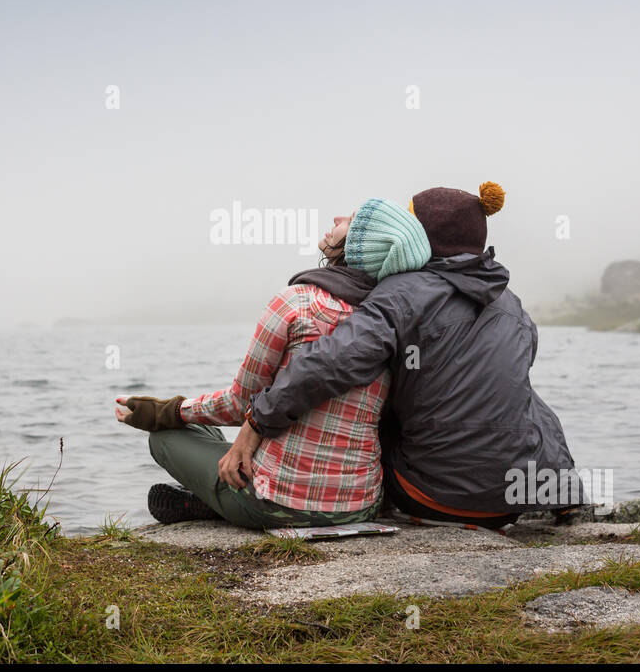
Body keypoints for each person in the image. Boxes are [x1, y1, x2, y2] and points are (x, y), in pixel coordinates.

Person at [230, 182, 578, 529]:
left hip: (432, 497)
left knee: (383, 390)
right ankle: (565, 494)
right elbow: (526, 406)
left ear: (419, 237)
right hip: (509, 502)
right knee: (516, 392)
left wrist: (259, 418)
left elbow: (331, 360)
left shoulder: (402, 292)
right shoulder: (513, 306)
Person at [115, 198, 431, 528]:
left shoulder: (296, 302)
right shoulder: (395, 325)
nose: (337, 217)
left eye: (350, 220)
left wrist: (166, 410)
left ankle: (218, 500)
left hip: (277, 501)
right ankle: (213, 496)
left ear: (358, 246)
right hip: (361, 504)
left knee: (166, 436)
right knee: (202, 427)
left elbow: (241, 404)